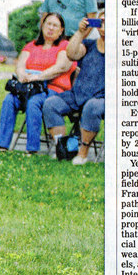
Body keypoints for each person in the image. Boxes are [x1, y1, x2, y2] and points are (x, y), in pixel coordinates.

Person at [0, 13, 75, 154]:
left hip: (52, 89)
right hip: (28, 87)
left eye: (55, 25)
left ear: (61, 30)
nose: (50, 28)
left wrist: (37, 77)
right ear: (42, 26)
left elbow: (61, 67)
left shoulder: (65, 46)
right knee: (9, 100)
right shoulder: (31, 46)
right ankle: (2, 146)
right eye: (48, 24)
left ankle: (32, 149)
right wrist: (22, 76)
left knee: (34, 102)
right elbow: (20, 65)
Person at [43, 12, 105, 166]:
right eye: (101, 20)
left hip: (102, 99)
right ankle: (65, 149)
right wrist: (80, 33)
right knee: (51, 104)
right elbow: (71, 54)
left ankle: (82, 153)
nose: (103, 24)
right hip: (78, 94)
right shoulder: (90, 45)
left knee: (92, 107)